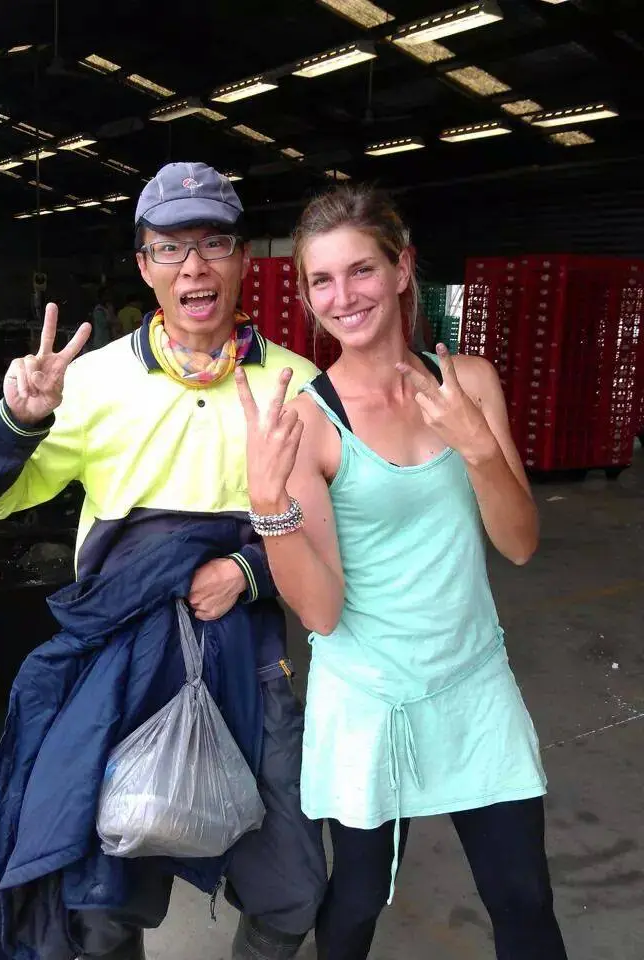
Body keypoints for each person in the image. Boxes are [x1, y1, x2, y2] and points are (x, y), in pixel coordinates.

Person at [0, 162, 326, 960]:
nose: (193, 266)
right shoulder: (90, 381)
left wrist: (249, 572)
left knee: (292, 887)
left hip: (250, 656)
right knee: (100, 902)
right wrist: (17, 420)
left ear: (240, 259)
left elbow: (336, 537)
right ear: (144, 265)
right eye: (170, 247)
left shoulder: (296, 384)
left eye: (213, 243)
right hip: (121, 659)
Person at [235, 184, 568, 960]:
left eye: (361, 270)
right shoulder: (311, 420)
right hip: (370, 701)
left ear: (402, 268)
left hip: (473, 685)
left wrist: (476, 445)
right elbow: (321, 612)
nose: (344, 296)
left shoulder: (469, 383)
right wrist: (268, 503)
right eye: (322, 280)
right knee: (355, 904)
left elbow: (520, 544)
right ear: (308, 294)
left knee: (524, 898)